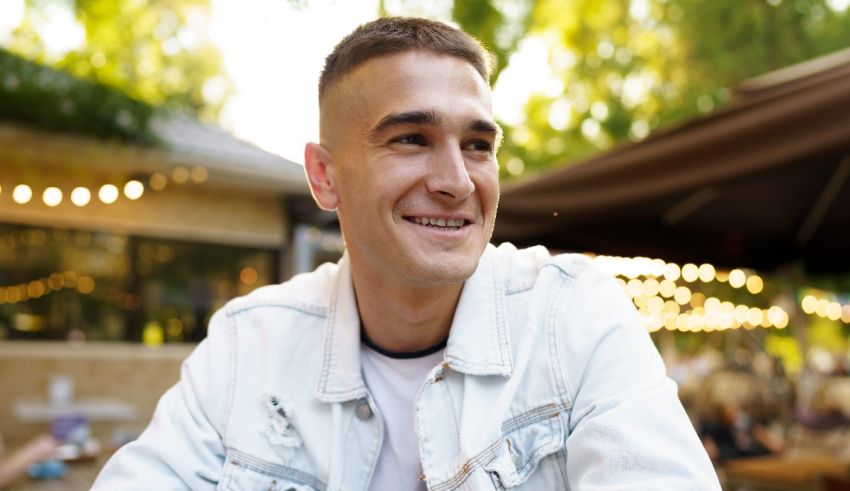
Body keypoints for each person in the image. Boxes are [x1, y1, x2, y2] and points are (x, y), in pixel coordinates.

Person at [93, 17, 720, 490]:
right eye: (412, 138)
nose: (457, 180)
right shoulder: (246, 345)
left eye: (477, 145)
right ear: (324, 176)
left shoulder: (570, 315)